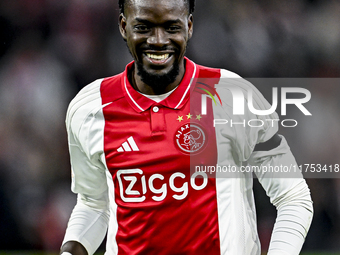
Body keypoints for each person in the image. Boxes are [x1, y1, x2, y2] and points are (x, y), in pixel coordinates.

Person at [60, 0, 313, 254]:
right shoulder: (89, 108)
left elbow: (294, 198)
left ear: (189, 26)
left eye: (171, 27)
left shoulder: (233, 96)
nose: (158, 41)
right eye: (144, 27)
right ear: (124, 26)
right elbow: (93, 203)